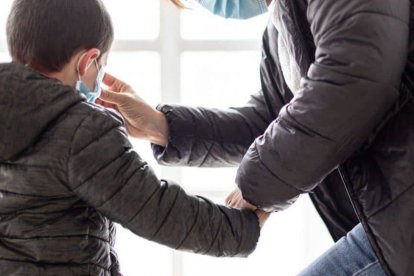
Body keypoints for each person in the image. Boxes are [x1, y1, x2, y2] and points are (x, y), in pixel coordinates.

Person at [99, 0, 414, 275]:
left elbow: (353, 82)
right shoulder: (282, 28)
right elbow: (268, 122)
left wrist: (258, 186)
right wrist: (160, 126)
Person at [0, 0, 270, 275]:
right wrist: (241, 229)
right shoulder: (83, 130)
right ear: (86, 61)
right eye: (101, 66)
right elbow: (159, 211)